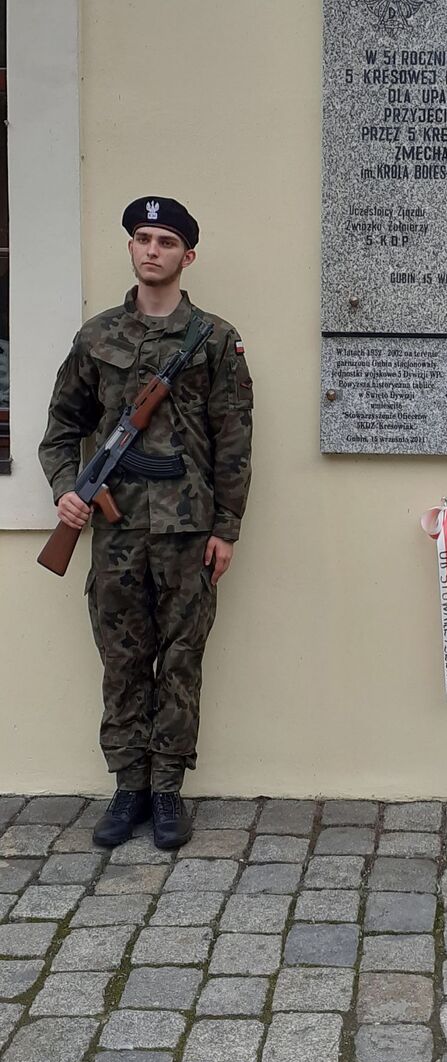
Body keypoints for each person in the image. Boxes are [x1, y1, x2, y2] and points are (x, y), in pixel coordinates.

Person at [39, 197, 253, 850]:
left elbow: (234, 440)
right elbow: (60, 432)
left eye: (165, 240)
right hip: (117, 533)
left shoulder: (214, 340)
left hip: (190, 534)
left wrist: (228, 527)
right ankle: (127, 785)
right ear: (130, 249)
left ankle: (166, 793)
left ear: (188, 256)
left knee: (182, 661)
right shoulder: (97, 338)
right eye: (142, 238)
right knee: (122, 662)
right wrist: (65, 493)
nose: (151, 249)